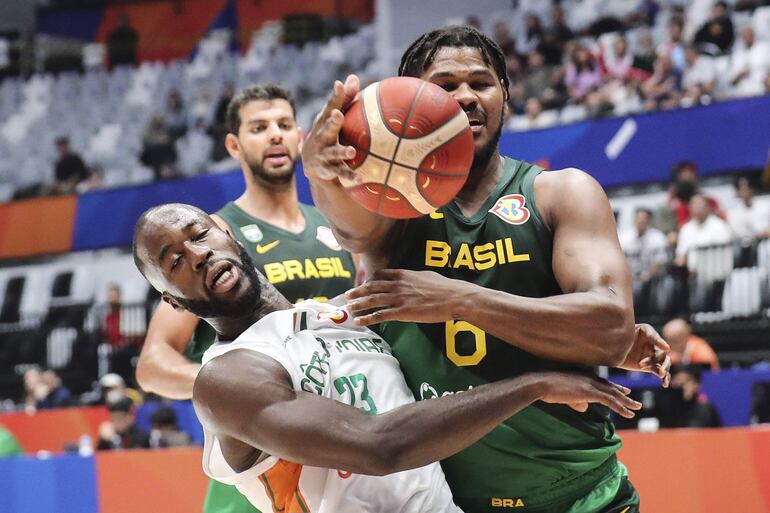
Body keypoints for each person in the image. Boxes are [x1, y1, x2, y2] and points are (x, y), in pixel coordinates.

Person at [302, 25, 670, 513]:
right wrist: (321, 173)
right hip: (438, 501)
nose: (466, 97)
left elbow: (610, 329)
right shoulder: (390, 210)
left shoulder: (561, 192)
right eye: (445, 85)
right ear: (410, 98)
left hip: (577, 493)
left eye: (481, 82)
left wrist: (458, 299)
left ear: (506, 98)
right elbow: (352, 228)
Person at [132, 203, 642, 512]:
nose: (196, 253)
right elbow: (379, 446)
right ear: (173, 301)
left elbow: (461, 323)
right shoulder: (227, 378)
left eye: (199, 235)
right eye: (174, 261)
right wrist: (535, 384)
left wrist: (605, 335)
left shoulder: (338, 314)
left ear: (229, 234)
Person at [135, 83, 356, 513]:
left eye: (284, 124)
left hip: (334, 453)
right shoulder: (210, 239)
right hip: (256, 466)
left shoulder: (335, 228)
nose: (275, 134)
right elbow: (151, 365)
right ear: (235, 145)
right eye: (259, 127)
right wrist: (234, 391)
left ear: (300, 138)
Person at [674, 193, 733, 271]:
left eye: (700, 206)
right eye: (694, 206)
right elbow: (681, 254)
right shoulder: (686, 228)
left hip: (716, 271)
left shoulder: (719, 225)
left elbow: (723, 252)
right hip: (693, 274)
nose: (697, 210)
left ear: (708, 207)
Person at [727, 175, 770, 241]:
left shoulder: (765, 206)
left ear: (752, 189)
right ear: (737, 192)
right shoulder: (733, 213)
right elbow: (736, 233)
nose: (744, 191)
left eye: (746, 188)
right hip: (746, 247)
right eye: (741, 189)